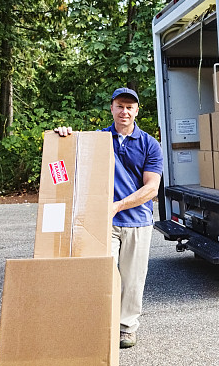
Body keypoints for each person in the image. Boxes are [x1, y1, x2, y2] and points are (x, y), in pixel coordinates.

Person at [55, 87, 163, 348]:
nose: (124, 111)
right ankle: (100, 324)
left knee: (133, 278)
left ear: (137, 111)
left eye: (130, 107)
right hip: (104, 222)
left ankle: (126, 327)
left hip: (137, 221)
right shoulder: (97, 139)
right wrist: (64, 138)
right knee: (102, 274)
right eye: (119, 106)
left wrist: (118, 206)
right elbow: (68, 162)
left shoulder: (149, 144)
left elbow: (151, 188)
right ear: (111, 108)